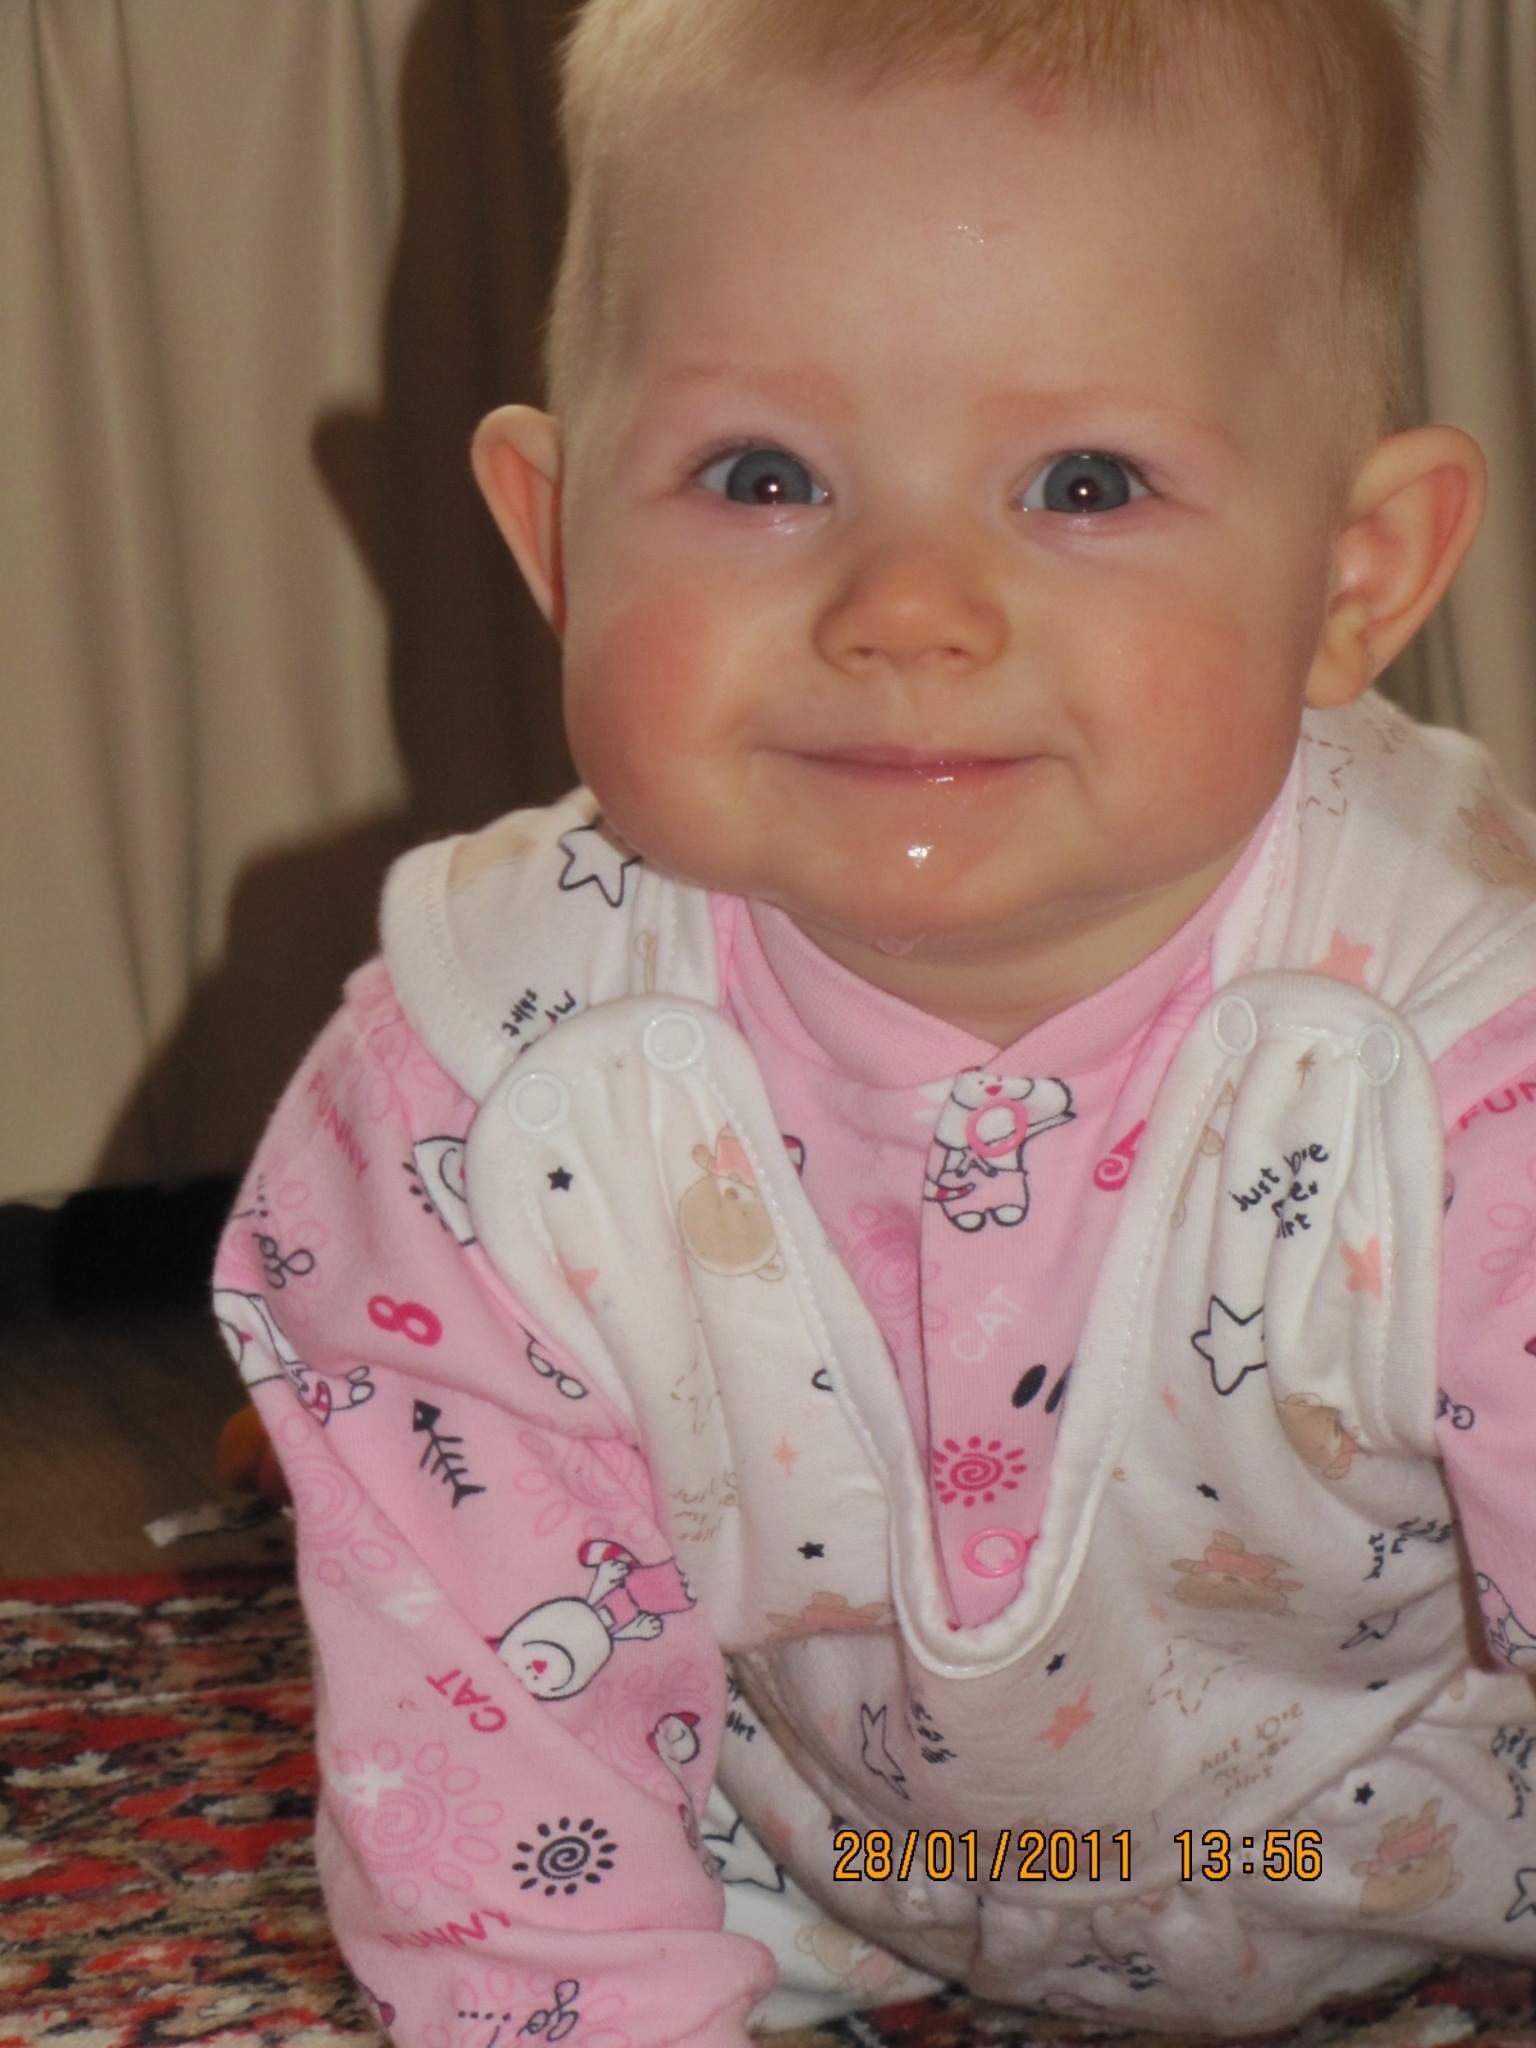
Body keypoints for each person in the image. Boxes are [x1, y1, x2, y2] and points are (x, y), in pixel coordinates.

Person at [213, 2, 1536, 2039]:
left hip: (1424, 1835)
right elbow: (492, 1764)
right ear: (558, 536)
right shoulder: (477, 1102)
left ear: (1354, 576)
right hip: (825, 1875)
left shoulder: (1460, 1053)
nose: (909, 609)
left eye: (1083, 481)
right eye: (764, 475)